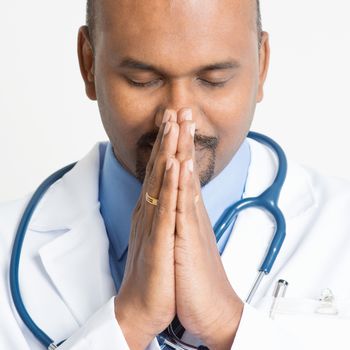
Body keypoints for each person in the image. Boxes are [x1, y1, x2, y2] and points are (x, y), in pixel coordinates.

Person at [1, 0, 350, 349]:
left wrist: (225, 323)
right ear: (89, 64)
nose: (179, 115)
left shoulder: (339, 228)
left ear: (262, 67)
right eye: (143, 80)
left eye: (215, 80)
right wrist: (130, 321)